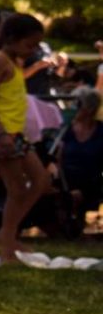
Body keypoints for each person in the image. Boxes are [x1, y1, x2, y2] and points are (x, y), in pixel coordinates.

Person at [0, 13, 52, 265]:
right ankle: (7, 248)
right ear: (11, 39)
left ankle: (5, 234)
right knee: (17, 189)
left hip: (16, 133)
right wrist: (0, 133)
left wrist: (35, 68)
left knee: (41, 180)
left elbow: (13, 83)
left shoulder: (14, 61)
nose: (32, 50)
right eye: (29, 45)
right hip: (2, 134)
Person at [59, 88, 102, 217]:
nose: (72, 108)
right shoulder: (65, 130)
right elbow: (57, 161)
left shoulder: (101, 131)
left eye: (77, 105)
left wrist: (84, 191)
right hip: (67, 183)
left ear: (90, 109)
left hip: (93, 185)